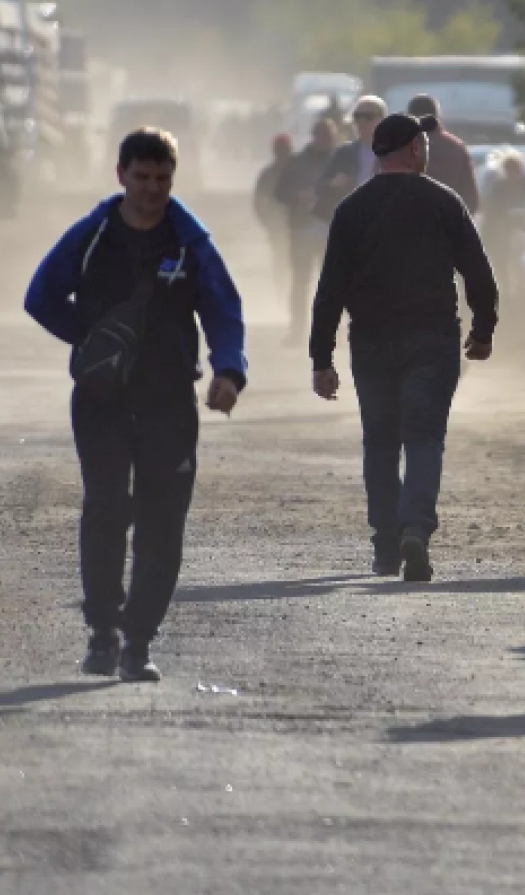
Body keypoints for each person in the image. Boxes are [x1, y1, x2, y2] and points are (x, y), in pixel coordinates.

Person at [23, 128, 248, 682]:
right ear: (120, 173)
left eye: (162, 178)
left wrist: (229, 369)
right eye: (142, 177)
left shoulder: (190, 244)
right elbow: (41, 296)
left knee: (162, 520)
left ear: (172, 178)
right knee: (105, 508)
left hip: (169, 401)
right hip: (100, 400)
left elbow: (223, 309)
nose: (152, 188)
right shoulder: (93, 233)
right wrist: (91, 339)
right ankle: (101, 633)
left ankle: (138, 642)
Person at [309, 113, 499, 582]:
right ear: (415, 149)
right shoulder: (443, 203)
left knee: (380, 442)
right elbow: (478, 273)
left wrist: (322, 359)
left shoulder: (351, 210)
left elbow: (329, 288)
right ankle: (415, 527)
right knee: (424, 438)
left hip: (371, 342)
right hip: (432, 340)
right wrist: (483, 330)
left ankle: (386, 547)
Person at [276, 118, 339, 342]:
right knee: (300, 282)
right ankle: (297, 330)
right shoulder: (297, 162)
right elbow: (280, 192)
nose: (327, 140)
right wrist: (297, 196)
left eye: (330, 136)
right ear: (315, 136)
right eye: (323, 135)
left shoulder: (340, 162)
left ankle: (332, 332)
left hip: (330, 231)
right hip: (301, 230)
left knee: (332, 285)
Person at [406, 93, 481, 215]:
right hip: (448, 224)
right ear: (437, 116)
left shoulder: (402, 148)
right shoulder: (456, 148)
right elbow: (471, 196)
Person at [252, 132, 293, 302]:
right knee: (281, 262)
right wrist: (268, 222)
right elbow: (259, 202)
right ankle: (283, 295)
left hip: (301, 226)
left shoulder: (298, 170)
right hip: (278, 227)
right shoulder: (268, 174)